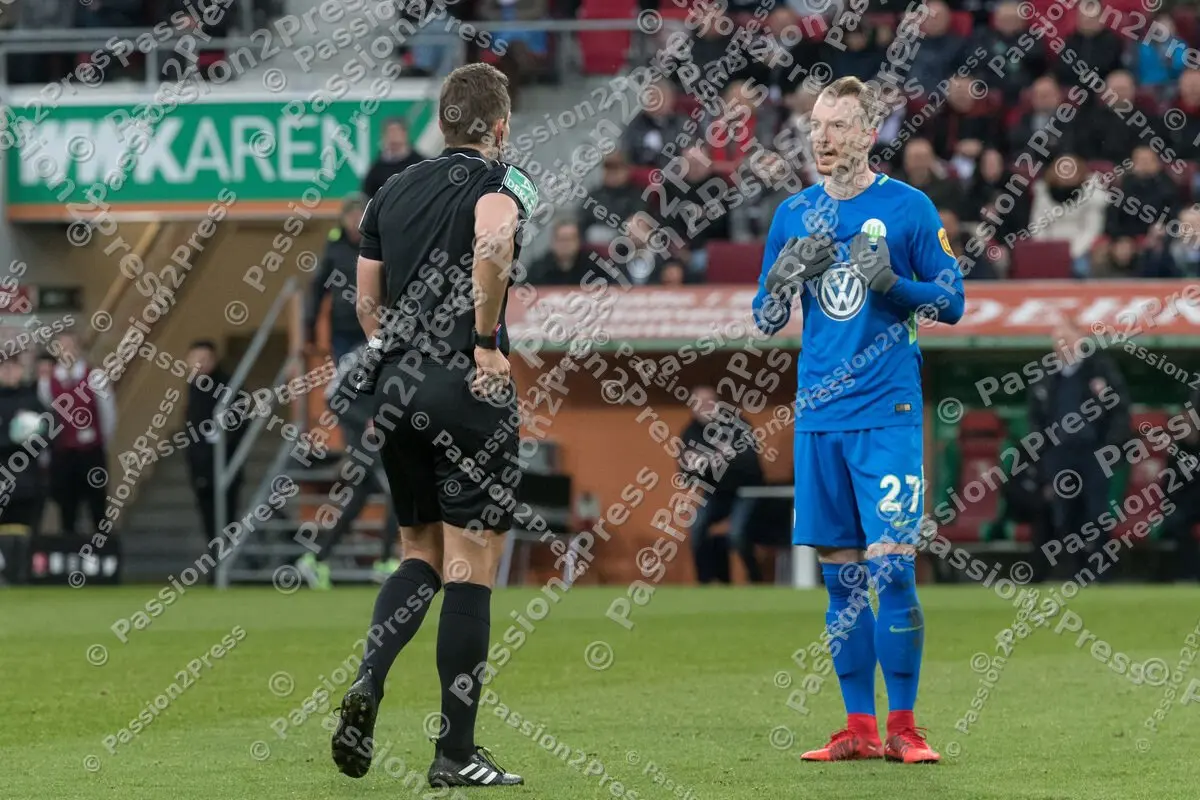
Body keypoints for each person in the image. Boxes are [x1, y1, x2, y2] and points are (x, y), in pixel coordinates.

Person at [752, 76, 965, 763]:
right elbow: (764, 316)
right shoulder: (793, 214)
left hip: (887, 414)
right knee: (841, 580)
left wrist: (892, 286)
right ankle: (858, 729)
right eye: (816, 126)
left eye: (838, 126)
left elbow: (953, 300)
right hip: (819, 416)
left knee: (893, 572)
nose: (823, 137)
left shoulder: (908, 208)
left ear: (869, 134)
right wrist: (784, 278)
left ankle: (905, 726)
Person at [330, 63, 528, 788]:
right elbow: (496, 240)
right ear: (498, 126)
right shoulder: (503, 181)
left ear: (441, 124)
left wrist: (396, 353)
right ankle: (455, 753)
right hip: (465, 386)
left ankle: (370, 680)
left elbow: (365, 303)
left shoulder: (390, 189)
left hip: (396, 388)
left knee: (417, 551)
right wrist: (482, 343)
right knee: (471, 562)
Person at [1027, 315, 1130, 581]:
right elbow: (1036, 419)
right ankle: (1075, 572)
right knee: (1065, 515)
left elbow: (1119, 410)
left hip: (1094, 452)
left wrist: (1111, 447)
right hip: (1060, 455)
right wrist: (1044, 457)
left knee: (1096, 514)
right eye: (1056, 339)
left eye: (1065, 338)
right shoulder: (1046, 376)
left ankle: (1103, 574)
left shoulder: (1100, 369)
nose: (1060, 344)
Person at [296, 344, 399, 590]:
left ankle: (316, 559)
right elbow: (333, 397)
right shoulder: (364, 355)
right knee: (397, 492)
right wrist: (366, 422)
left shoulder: (391, 353)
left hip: (376, 441)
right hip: (364, 443)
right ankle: (385, 563)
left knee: (358, 501)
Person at [677, 386, 765, 584]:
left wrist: (722, 459)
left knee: (736, 534)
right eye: (699, 403)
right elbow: (685, 475)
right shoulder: (691, 432)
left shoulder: (737, 425)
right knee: (696, 527)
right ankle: (706, 583)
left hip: (745, 491)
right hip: (715, 493)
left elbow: (751, 463)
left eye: (710, 402)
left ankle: (755, 578)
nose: (705, 407)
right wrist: (708, 462)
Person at [38, 333, 114, 535]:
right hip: (63, 454)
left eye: (71, 346)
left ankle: (101, 551)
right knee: (67, 508)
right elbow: (47, 418)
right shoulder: (47, 382)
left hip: (92, 452)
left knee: (97, 505)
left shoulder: (95, 377)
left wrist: (99, 442)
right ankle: (70, 553)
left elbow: (108, 415)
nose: (67, 351)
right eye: (62, 347)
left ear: (79, 349)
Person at [184, 341, 246, 552]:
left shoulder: (228, 386)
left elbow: (240, 422)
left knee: (226, 518)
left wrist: (223, 441)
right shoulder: (193, 389)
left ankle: (224, 563)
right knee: (209, 519)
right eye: (196, 359)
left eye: (205, 359)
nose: (200, 364)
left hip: (224, 463)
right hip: (200, 467)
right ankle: (216, 562)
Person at [307, 194, 369, 366]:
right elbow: (319, 286)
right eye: (351, 216)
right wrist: (310, 324)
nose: (355, 221)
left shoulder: (376, 245)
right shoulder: (334, 248)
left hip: (371, 323)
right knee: (345, 375)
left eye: (360, 215)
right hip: (343, 326)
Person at [0, 357, 47, 535]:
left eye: (13, 367)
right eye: (4, 368)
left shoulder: (33, 401)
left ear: (20, 370)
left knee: (25, 540)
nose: (9, 372)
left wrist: (29, 441)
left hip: (27, 487)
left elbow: (48, 434)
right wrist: (13, 439)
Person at [362, 119, 424, 199]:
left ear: (405, 134)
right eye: (390, 132)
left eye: (396, 132)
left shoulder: (420, 163)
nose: (393, 136)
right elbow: (368, 195)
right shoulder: (377, 168)